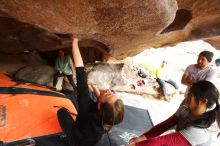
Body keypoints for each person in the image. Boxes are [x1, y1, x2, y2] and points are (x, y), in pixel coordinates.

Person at [57, 38, 125, 146]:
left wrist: (74, 41)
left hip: (76, 139)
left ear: (100, 107)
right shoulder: (108, 121)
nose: (108, 90)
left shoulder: (86, 105)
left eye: (108, 94)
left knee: (61, 112)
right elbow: (100, 98)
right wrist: (93, 85)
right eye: (112, 92)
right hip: (91, 141)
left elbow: (80, 69)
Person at [129, 80, 220, 146]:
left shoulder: (201, 130)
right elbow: (164, 125)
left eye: (191, 95)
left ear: (203, 101)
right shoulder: (185, 109)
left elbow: (164, 142)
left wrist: (136, 145)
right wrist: (140, 138)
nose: (186, 96)